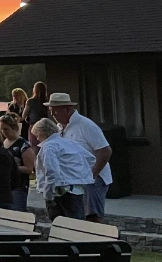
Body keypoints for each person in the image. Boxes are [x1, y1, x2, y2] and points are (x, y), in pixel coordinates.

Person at [45, 92, 112, 223]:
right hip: (73, 180)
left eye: (55, 111)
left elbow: (105, 151)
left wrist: (92, 175)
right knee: (76, 217)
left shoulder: (86, 125)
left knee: (92, 217)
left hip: (91, 179)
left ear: (67, 109)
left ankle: (100, 242)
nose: (52, 115)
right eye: (51, 111)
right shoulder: (59, 128)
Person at [32, 118, 94, 221]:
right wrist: (79, 175)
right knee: (78, 225)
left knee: (60, 225)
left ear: (43, 132)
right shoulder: (69, 143)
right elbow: (91, 159)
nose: (37, 138)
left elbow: (52, 172)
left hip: (59, 192)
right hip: (76, 189)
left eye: (37, 135)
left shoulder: (49, 147)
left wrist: (48, 194)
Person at [0, 113, 36, 213]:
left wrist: (11, 168)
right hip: (3, 186)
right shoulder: (2, 143)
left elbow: (29, 168)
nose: (3, 132)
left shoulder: (23, 145)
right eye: (1, 129)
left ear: (14, 128)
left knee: (17, 213)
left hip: (18, 186)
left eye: (6, 129)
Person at [24, 81, 50, 148]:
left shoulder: (30, 101)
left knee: (34, 147)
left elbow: (24, 115)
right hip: (46, 127)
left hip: (34, 126)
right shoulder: (47, 101)